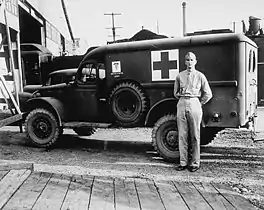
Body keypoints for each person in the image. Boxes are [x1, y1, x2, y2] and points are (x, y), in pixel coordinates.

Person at [174, 52, 212, 172]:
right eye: (187, 60)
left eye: (191, 60)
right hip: (181, 103)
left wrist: (199, 103)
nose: (189, 62)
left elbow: (208, 94)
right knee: (182, 135)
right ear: (184, 62)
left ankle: (195, 163)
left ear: (195, 61)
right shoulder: (180, 76)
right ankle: (183, 162)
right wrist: (182, 99)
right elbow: (175, 93)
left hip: (195, 103)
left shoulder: (200, 76)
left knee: (195, 135)